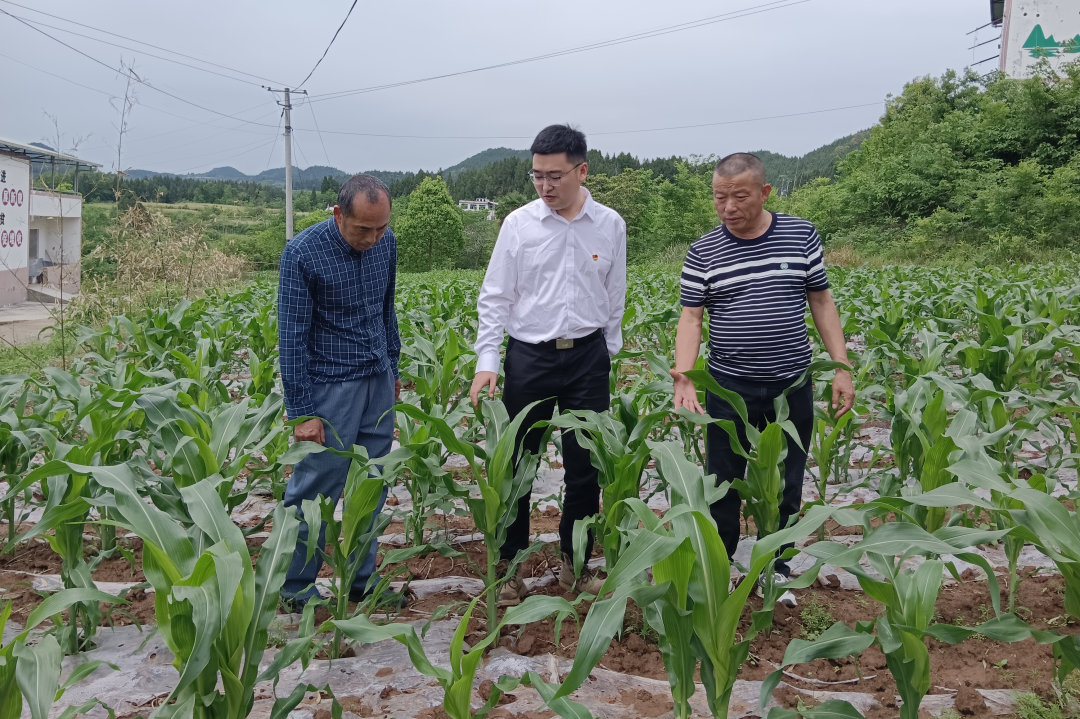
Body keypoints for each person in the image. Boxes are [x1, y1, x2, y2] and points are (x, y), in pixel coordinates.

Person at [671, 153, 854, 608]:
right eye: (720, 197)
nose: (728, 207)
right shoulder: (703, 251)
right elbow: (691, 318)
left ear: (765, 192)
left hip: (791, 386)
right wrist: (685, 378)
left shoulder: (800, 235)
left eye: (739, 196)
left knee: (787, 483)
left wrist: (841, 366)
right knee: (723, 483)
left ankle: (777, 570)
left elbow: (821, 301)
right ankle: (720, 569)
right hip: (728, 387)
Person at [470, 124, 627, 606]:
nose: (545, 185)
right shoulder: (519, 224)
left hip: (587, 356)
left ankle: (574, 565)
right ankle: (510, 567)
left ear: (582, 171)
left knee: (585, 466)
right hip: (530, 357)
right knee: (517, 462)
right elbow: (495, 296)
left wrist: (608, 353)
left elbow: (614, 294)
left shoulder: (610, 224)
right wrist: (487, 359)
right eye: (537, 175)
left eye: (555, 175)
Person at [277, 174, 404, 611]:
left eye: (381, 228)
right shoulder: (303, 253)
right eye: (363, 229)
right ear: (338, 215)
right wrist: (302, 411)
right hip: (331, 387)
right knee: (316, 488)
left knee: (373, 483)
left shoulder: (386, 244)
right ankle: (295, 587)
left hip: (377, 380)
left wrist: (393, 366)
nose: (373, 238)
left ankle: (360, 580)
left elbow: (386, 309)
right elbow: (291, 337)